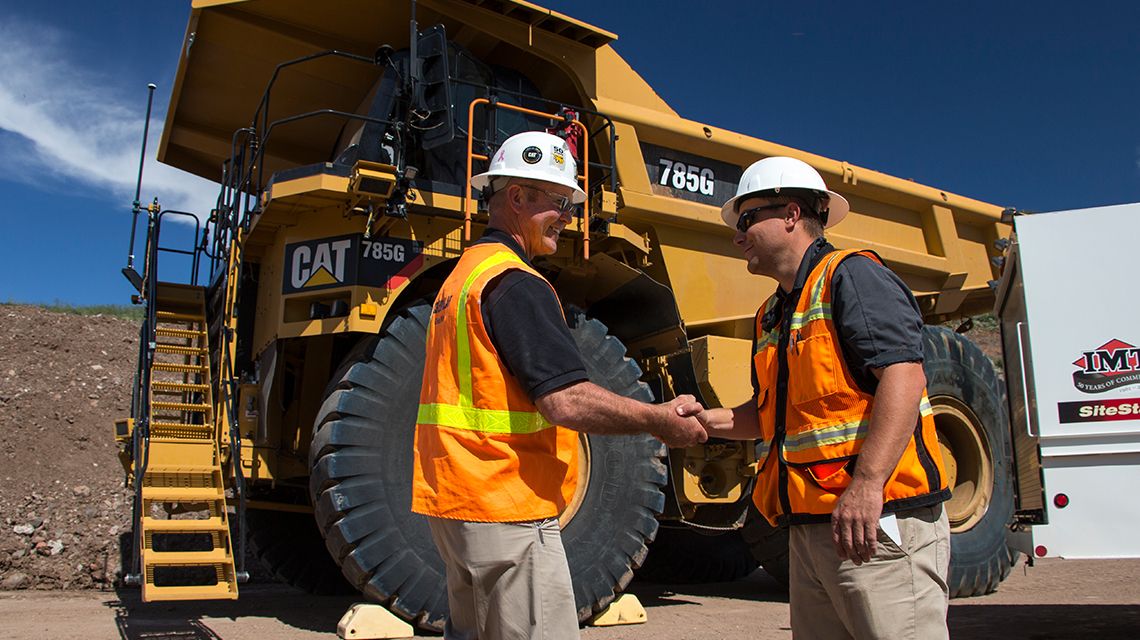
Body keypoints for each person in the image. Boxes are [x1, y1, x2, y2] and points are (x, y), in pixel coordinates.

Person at [412, 130, 707, 640]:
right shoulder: (516, 283)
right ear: (518, 197)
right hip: (507, 505)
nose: (569, 215)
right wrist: (658, 420)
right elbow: (565, 399)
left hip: (459, 502)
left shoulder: (460, 280)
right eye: (560, 200)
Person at [680, 156, 951, 639]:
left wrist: (867, 485)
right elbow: (771, 417)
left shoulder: (852, 277)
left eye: (746, 220)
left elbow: (904, 377)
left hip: (875, 522)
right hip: (811, 530)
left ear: (789, 214)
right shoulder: (771, 314)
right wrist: (704, 421)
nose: (737, 236)